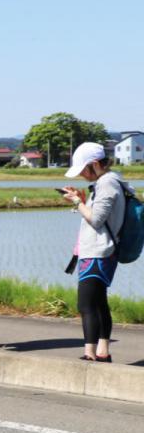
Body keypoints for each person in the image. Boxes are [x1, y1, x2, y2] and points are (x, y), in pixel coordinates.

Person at [60, 142, 134, 363]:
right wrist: (82, 202)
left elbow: (96, 219)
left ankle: (90, 354)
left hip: (98, 252)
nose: (82, 175)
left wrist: (76, 202)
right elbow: (101, 216)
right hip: (103, 251)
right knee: (99, 303)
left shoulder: (106, 184)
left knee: (86, 304)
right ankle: (103, 352)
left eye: (83, 169)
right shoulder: (111, 181)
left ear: (94, 164)